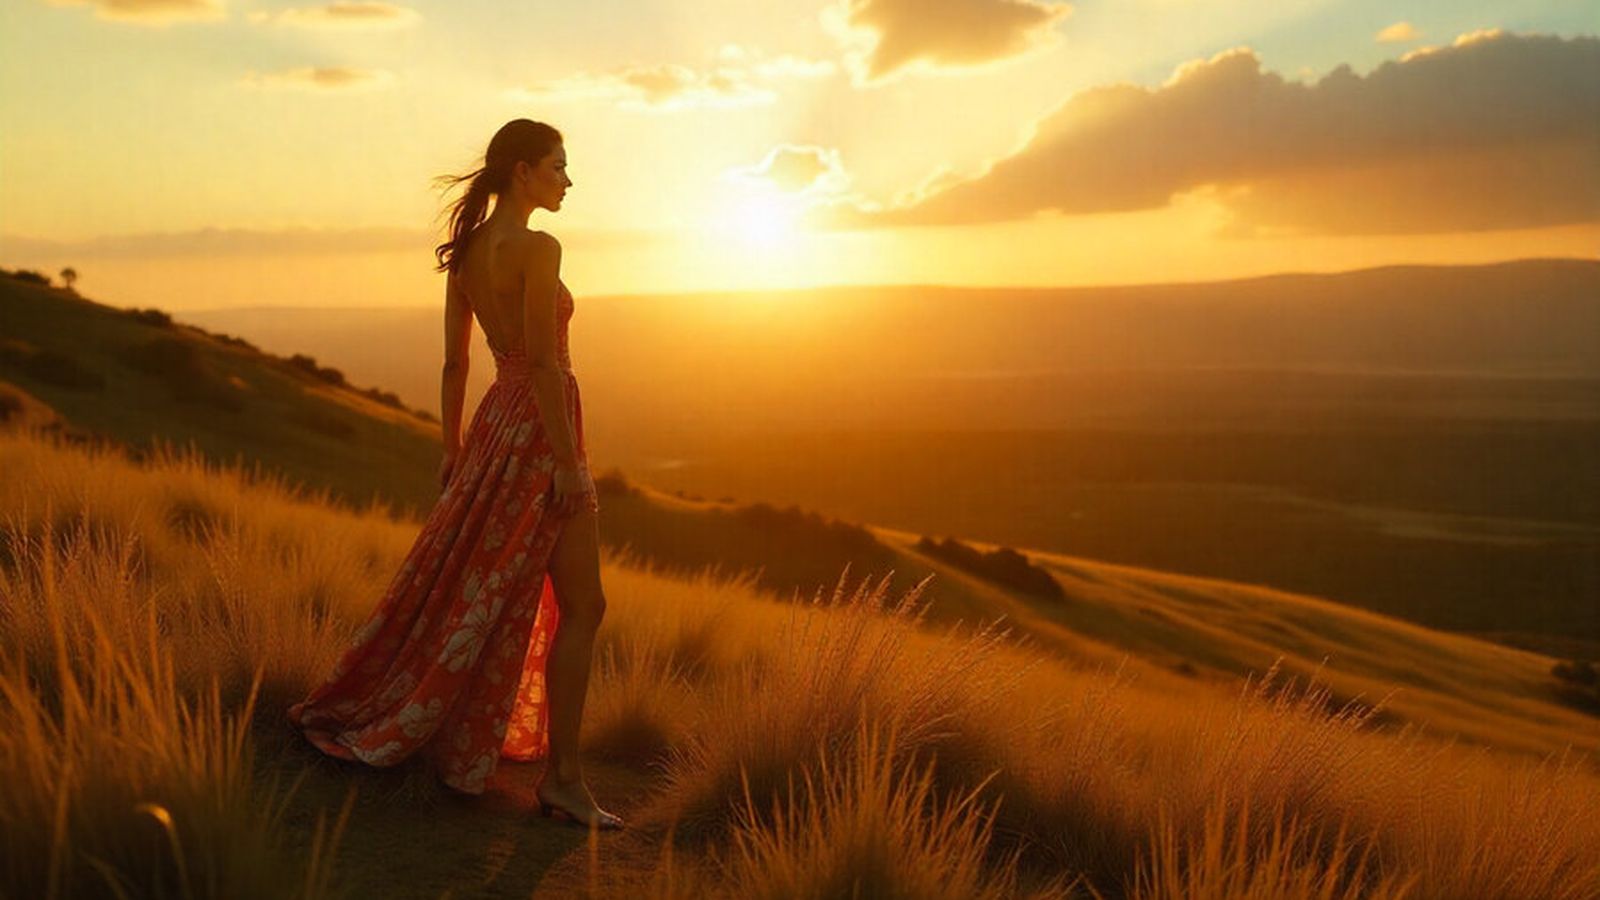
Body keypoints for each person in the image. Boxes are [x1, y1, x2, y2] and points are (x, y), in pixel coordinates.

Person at [287, 118, 623, 831]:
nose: (569, 180)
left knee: (498, 585)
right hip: (540, 430)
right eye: (560, 165)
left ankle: (542, 764)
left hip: (494, 427)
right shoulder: (539, 246)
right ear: (523, 171)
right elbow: (542, 362)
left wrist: (451, 448)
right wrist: (567, 465)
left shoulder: (468, 253)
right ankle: (563, 780)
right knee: (584, 606)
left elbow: (454, 364)